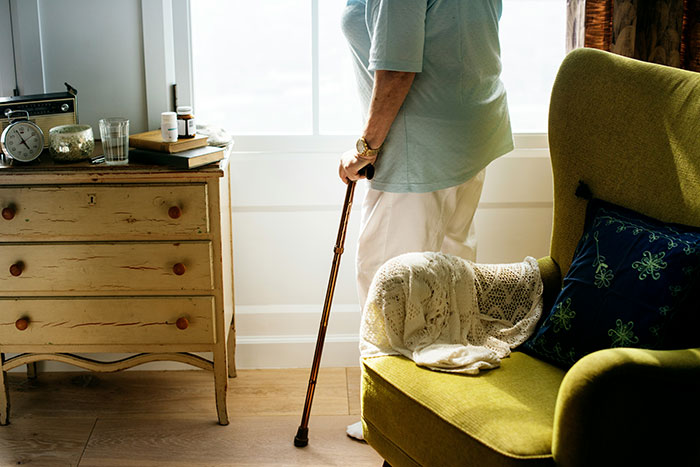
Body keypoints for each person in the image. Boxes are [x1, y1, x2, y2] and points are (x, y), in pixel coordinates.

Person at [339, 0, 513, 440]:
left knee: (389, 282)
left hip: (419, 145)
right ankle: (446, 410)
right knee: (450, 276)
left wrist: (365, 148)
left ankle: (395, 418)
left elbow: (398, 70)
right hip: (471, 130)